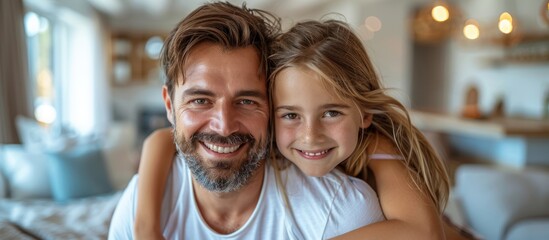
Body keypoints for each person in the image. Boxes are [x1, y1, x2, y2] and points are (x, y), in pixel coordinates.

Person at [134, 18, 451, 240]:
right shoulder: (261, 143)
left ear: (364, 113)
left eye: (331, 112)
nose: (310, 134)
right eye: (290, 115)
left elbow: (423, 233)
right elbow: (164, 139)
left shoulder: (377, 149)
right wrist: (146, 228)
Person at [108, 2, 385, 240]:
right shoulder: (138, 209)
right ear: (170, 105)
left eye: (247, 102)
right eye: (200, 100)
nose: (224, 125)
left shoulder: (340, 211)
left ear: (272, 106)